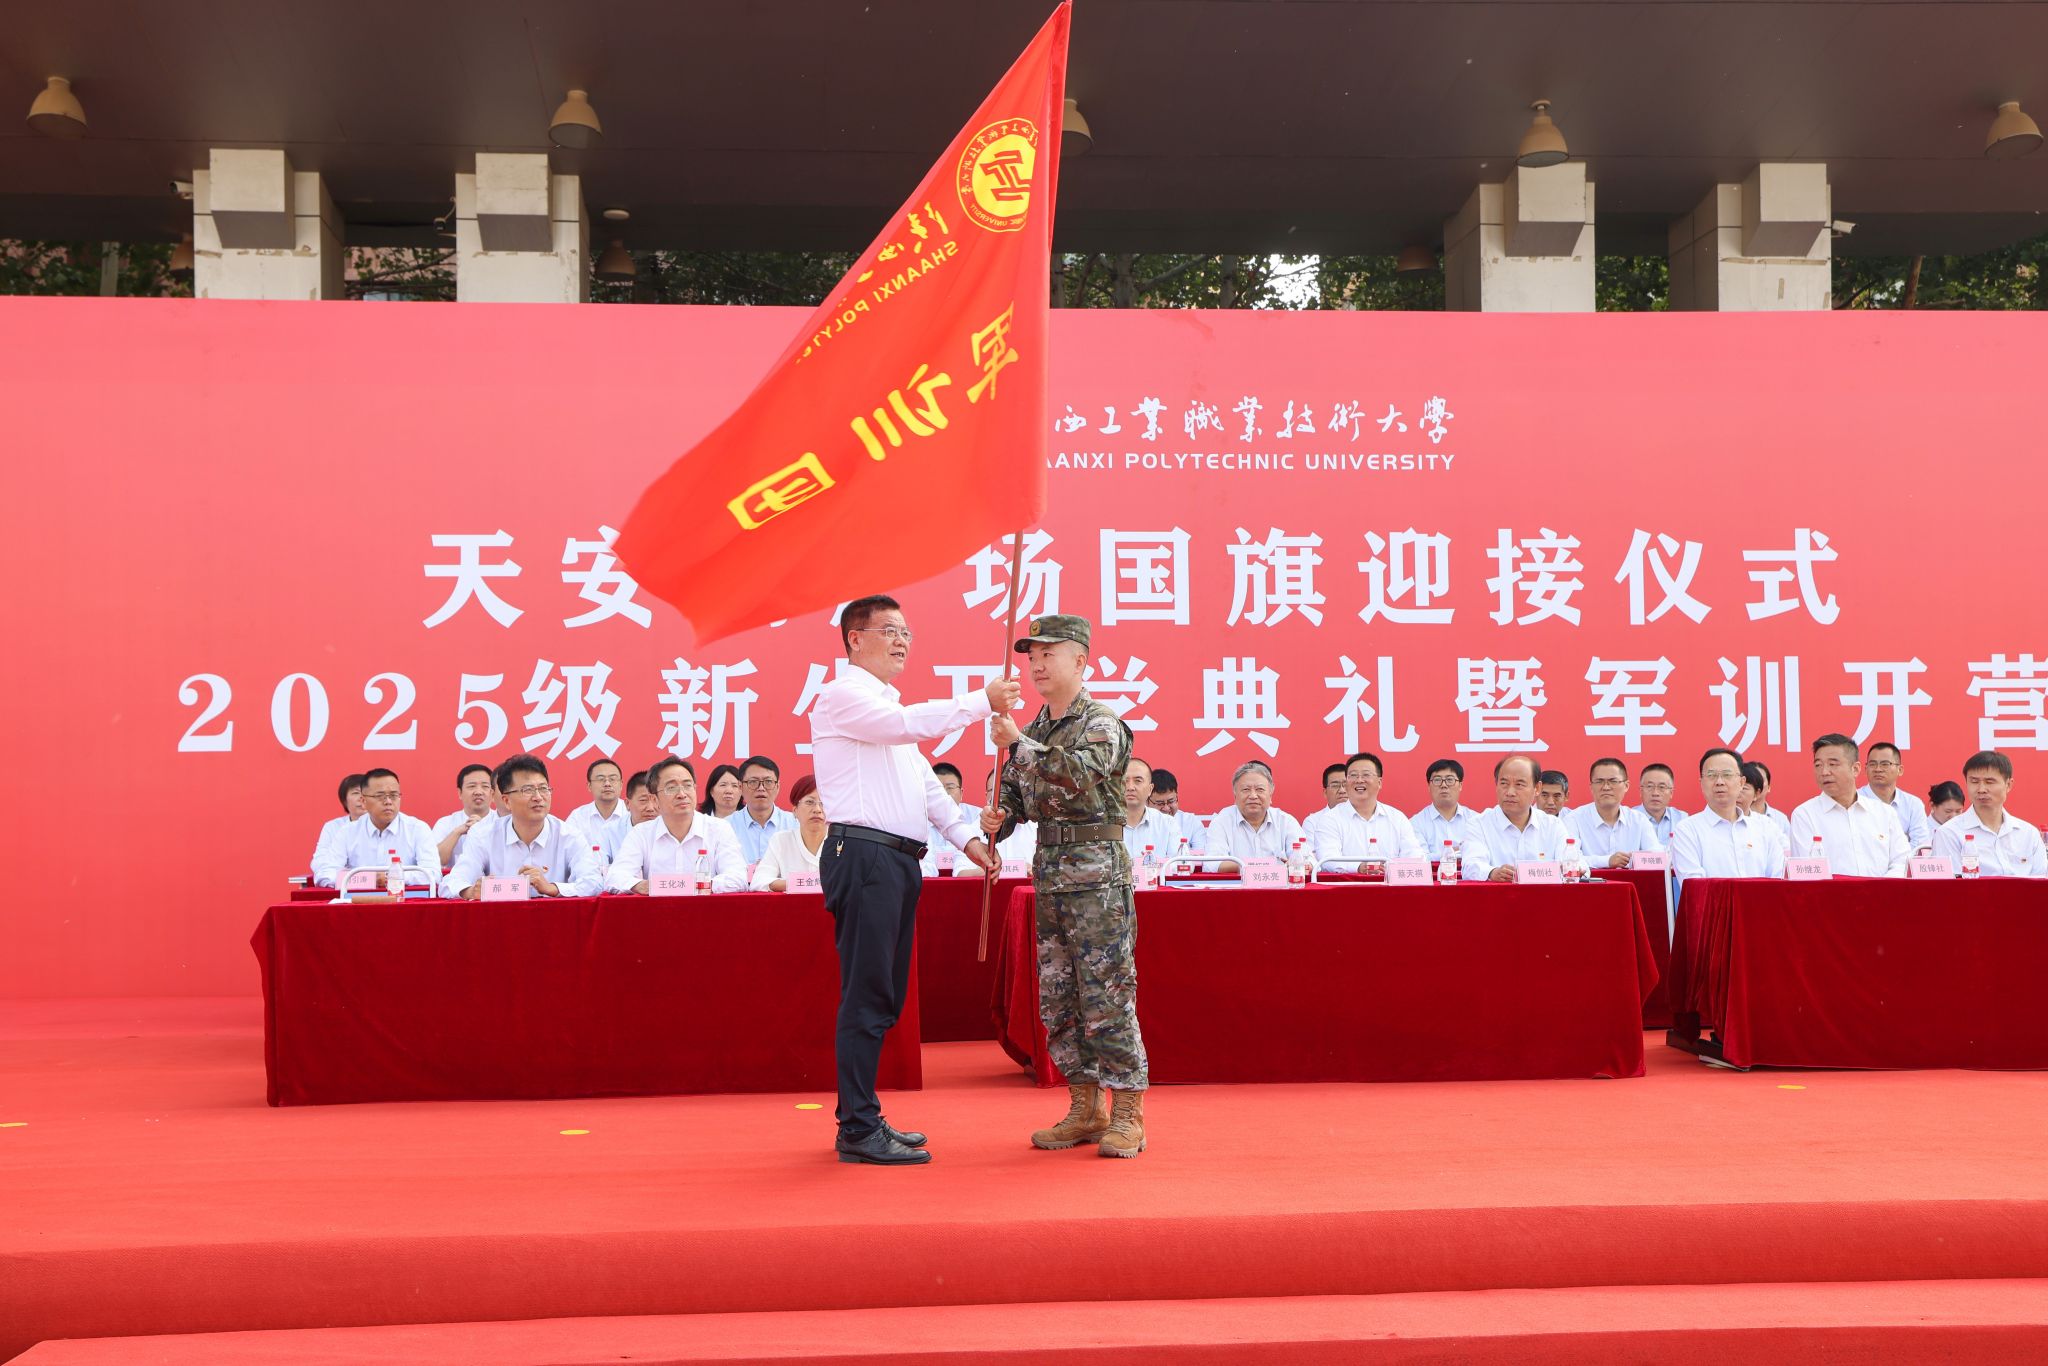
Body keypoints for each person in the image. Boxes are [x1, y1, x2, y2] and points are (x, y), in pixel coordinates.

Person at [810, 593, 1008, 1166]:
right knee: (867, 992)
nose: (901, 641)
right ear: (855, 639)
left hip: (898, 861)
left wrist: (969, 841)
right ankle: (856, 1126)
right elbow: (902, 726)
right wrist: (980, 702)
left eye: (906, 633)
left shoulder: (887, 711)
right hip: (863, 857)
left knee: (885, 993)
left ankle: (863, 1115)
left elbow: (926, 790)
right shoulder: (843, 697)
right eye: (890, 630)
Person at [983, 614, 1147, 1158]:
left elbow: (1079, 773)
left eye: (1048, 654)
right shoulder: (1032, 727)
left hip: (1097, 880)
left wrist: (1019, 744)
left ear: (1080, 660)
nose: (1036, 665)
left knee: (1107, 994)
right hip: (1051, 878)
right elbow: (1014, 792)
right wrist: (999, 816)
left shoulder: (1102, 722)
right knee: (1060, 997)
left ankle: (1127, 1112)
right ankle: (1085, 1107)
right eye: (1032, 656)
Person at [445, 754, 604, 898]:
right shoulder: (483, 835)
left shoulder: (569, 835)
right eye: (527, 790)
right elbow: (450, 883)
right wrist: (471, 891)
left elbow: (594, 882)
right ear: (507, 801)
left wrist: (552, 888)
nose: (538, 797)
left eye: (543, 788)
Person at [605, 757, 749, 893]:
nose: (682, 794)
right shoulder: (641, 833)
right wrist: (640, 885)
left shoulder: (719, 829)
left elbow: (738, 877)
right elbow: (614, 878)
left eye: (687, 785)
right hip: (658, 909)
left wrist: (692, 886)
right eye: (671, 788)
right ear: (654, 799)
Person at [1788, 733, 1910, 877]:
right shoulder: (1805, 815)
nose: (1824, 772)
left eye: (1832, 764)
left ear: (1855, 769)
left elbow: (1902, 862)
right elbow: (1807, 873)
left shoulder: (1884, 813)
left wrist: (1879, 887)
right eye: (1818, 765)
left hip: (1883, 891)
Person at [1669, 747, 1788, 887]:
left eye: (1727, 774)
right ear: (1701, 783)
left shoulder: (1765, 828)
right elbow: (1696, 888)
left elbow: (1777, 883)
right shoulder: (1687, 830)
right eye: (1711, 775)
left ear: (1741, 783)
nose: (1719, 782)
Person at [312, 768, 439, 892]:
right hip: (358, 902)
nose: (388, 801)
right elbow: (325, 875)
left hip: (405, 900)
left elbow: (433, 874)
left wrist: (392, 877)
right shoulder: (347, 832)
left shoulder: (418, 829)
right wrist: (369, 879)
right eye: (380, 796)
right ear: (363, 800)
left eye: (394, 795)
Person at [1933, 750, 2045, 876]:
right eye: (1974, 782)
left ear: (2008, 785)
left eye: (1989, 782)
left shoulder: (2029, 834)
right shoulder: (1949, 833)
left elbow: (2041, 881)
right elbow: (1950, 885)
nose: (1981, 789)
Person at [1311, 751, 1425, 871]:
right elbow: (1328, 860)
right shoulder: (1330, 819)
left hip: (1390, 882)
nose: (1359, 780)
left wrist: (1390, 869)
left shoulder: (1397, 818)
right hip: (1347, 883)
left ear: (1379, 783)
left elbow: (1414, 856)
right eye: (1353, 775)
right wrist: (1358, 868)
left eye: (1366, 775)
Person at [1464, 755, 1573, 881]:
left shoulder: (1553, 825)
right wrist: (1492, 872)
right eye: (1504, 783)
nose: (1510, 792)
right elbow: (1471, 865)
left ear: (1537, 788)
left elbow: (1572, 861)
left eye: (1519, 784)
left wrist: (1572, 868)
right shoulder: (1478, 824)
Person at [1202, 761, 1303, 874]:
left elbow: (1307, 859)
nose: (1253, 796)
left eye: (1260, 789)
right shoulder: (1221, 822)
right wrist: (1252, 866)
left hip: (1278, 884)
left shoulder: (1286, 821)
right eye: (1246, 789)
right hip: (1237, 885)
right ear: (1235, 794)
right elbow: (1211, 865)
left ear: (1270, 793)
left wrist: (1299, 863)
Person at [1566, 758, 1663, 868]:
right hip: (1589, 880)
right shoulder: (1574, 819)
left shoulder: (1639, 820)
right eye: (1599, 781)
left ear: (1626, 786)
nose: (1606, 787)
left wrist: (1635, 859)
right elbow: (1569, 860)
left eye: (1613, 781)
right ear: (1591, 787)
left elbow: (1657, 858)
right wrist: (1607, 861)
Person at [752, 775, 831, 891]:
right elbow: (758, 882)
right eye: (809, 802)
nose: (817, 809)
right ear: (795, 810)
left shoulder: (843, 842)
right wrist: (797, 884)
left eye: (823, 803)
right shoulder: (781, 840)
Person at [950, 769, 1035, 873]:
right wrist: (996, 871)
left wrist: (1035, 871)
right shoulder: (971, 830)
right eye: (995, 790)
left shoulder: (1037, 828)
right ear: (987, 795)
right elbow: (960, 873)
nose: (1002, 796)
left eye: (1008, 791)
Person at [1859, 741, 1935, 852]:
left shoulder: (1913, 804)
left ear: (1900, 770)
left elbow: (1920, 845)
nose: (1878, 769)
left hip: (1904, 862)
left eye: (1885, 764)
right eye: (1872, 764)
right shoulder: (1855, 800)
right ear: (1865, 769)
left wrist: (1897, 859)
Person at [1410, 758, 1483, 864]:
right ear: (1429, 786)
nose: (1444, 785)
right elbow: (1419, 859)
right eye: (1437, 780)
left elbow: (1482, 854)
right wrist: (1456, 851)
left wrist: (1442, 854)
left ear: (1460, 785)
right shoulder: (1416, 823)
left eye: (1450, 780)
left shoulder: (1476, 820)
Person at [731, 755, 798, 863]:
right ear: (740, 787)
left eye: (768, 782)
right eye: (753, 782)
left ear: (778, 786)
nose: (761, 788)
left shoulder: (795, 824)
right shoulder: (726, 826)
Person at [432, 764, 498, 869]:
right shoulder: (445, 823)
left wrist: (482, 829)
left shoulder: (502, 821)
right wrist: (457, 832)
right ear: (460, 793)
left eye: (485, 786)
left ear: (493, 793)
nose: (478, 792)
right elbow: (436, 861)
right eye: (472, 786)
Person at [1119, 756, 1181, 864]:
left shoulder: (1167, 824)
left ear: (1150, 789)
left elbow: (1179, 864)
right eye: (1125, 781)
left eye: (1138, 781)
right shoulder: (1102, 824)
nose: (1130, 787)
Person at [565, 758, 630, 859]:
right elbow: (568, 852)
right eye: (601, 779)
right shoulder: (577, 817)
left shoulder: (631, 813)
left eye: (613, 779)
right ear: (589, 786)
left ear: (621, 785)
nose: (607, 784)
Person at [310, 772, 367, 876]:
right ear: (344, 801)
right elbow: (318, 863)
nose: (361, 798)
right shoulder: (333, 827)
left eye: (366, 793)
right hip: (341, 881)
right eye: (356, 793)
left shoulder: (381, 825)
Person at [1145, 768, 1208, 850]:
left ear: (1176, 796)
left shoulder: (1191, 822)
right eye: (1160, 803)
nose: (1166, 808)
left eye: (1171, 801)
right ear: (1146, 801)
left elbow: (1200, 854)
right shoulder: (1139, 824)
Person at [1635, 763, 1687, 843]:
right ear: (1641, 791)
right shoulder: (1629, 819)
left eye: (1662, 787)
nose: (1655, 793)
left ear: (1671, 793)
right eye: (1649, 786)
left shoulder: (1682, 819)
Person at [1742, 760, 1793, 835]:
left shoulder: (1780, 819)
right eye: (1751, 780)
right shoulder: (1734, 815)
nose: (1756, 784)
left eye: (1760, 779)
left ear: (1769, 787)